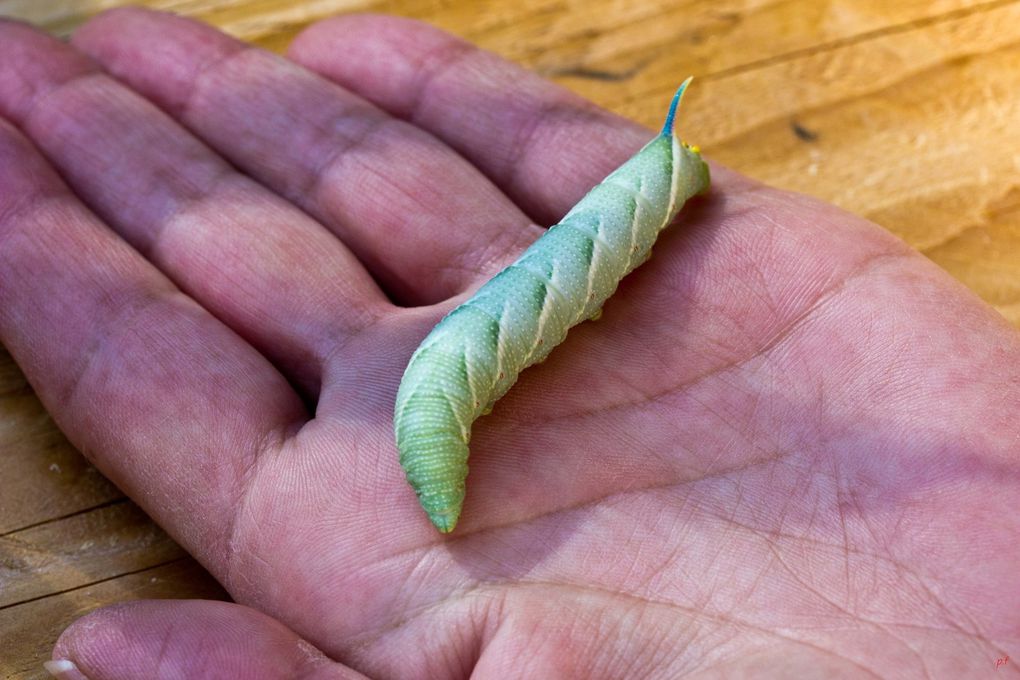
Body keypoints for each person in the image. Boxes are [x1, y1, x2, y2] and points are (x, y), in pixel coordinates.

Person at [1, 8, 1017, 679]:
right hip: (608, 224)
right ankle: (667, 165)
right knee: (511, 321)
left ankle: (670, 168)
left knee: (527, 310)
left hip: (635, 204)